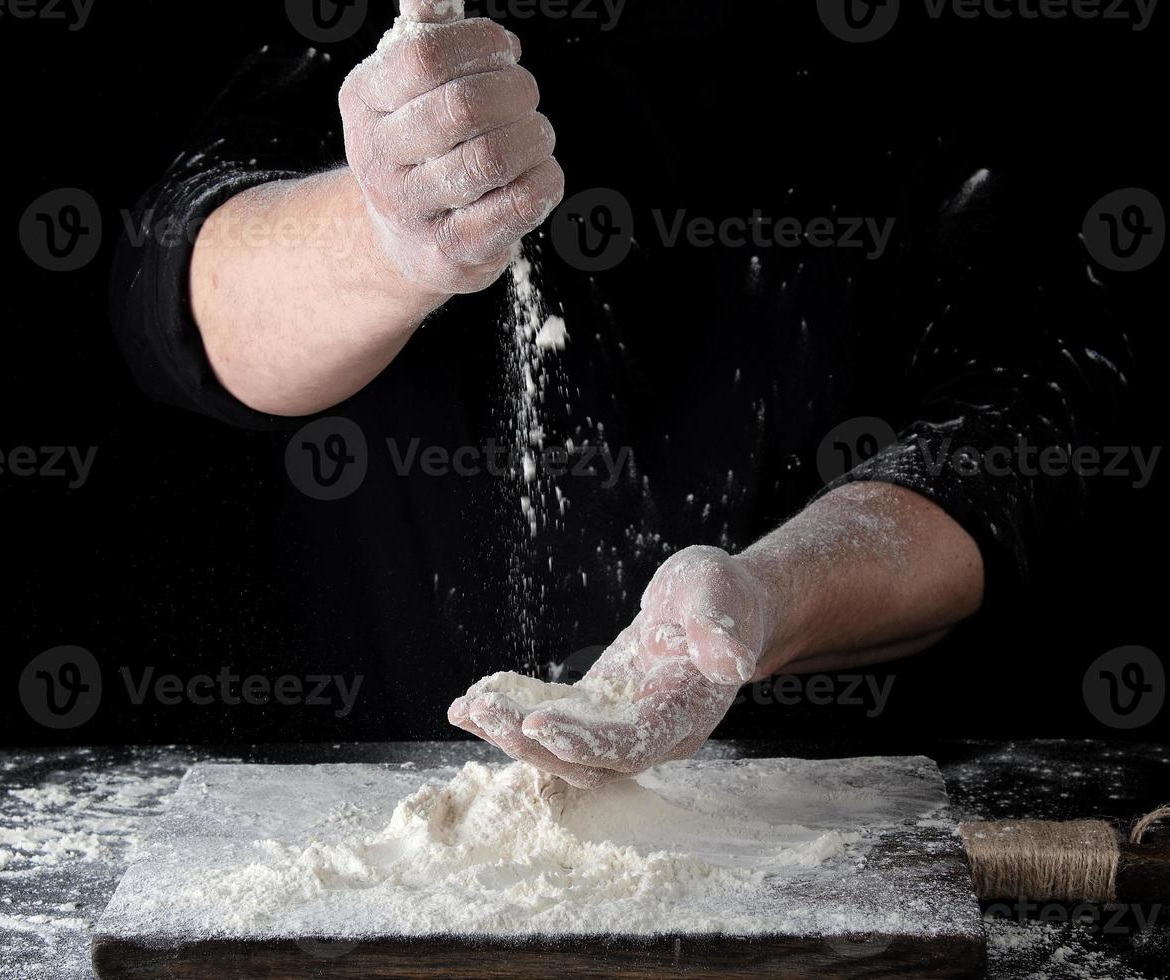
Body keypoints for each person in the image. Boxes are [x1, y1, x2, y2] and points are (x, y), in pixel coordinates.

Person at [113, 0, 1129, 783]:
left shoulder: (939, 69)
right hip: (378, 812)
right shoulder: (372, 31)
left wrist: (758, 602)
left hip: (825, 824)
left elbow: (1028, 422)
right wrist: (382, 233)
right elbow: (176, 295)